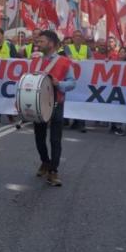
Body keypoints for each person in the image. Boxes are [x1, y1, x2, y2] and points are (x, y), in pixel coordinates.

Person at [32, 30, 77, 187]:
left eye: (41, 41)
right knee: (39, 138)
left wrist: (60, 84)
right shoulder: (35, 60)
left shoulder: (64, 62)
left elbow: (72, 83)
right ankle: (45, 162)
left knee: (55, 139)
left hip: (56, 103)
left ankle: (53, 171)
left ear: (51, 43)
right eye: (38, 41)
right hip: (38, 104)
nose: (38, 44)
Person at [0, 29, 17, 125]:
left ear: (3, 35)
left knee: (7, 97)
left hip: (8, 76)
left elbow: (16, 60)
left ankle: (10, 115)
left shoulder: (9, 45)